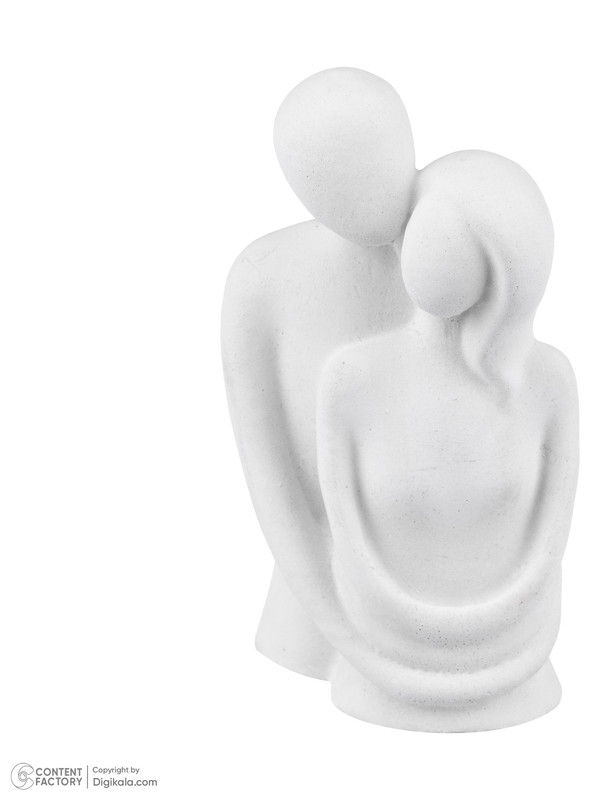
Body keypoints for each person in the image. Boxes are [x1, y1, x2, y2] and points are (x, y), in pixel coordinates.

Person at [316, 150, 579, 730]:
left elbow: (552, 535)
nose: (441, 252)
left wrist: (504, 617)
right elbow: (342, 528)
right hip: (372, 668)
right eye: (431, 229)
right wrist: (382, 616)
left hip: (522, 669)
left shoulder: (548, 380)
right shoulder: (352, 377)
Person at [221, 68, 416, 679]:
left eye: (380, 162)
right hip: (313, 588)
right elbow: (267, 467)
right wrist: (333, 617)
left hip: (444, 568)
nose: (370, 194)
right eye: (333, 176)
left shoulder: (455, 251)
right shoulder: (264, 276)